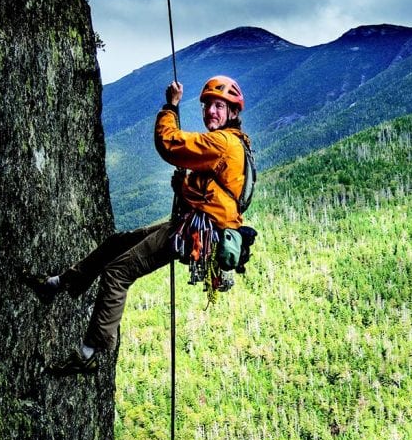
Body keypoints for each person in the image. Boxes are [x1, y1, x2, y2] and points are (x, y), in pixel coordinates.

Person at [22, 75, 252, 375]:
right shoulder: (233, 144)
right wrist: (183, 186)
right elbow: (214, 193)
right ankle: (61, 283)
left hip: (196, 232)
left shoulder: (223, 144)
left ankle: (89, 353)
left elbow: (169, 143)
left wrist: (170, 106)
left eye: (219, 106)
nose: (211, 112)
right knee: (117, 243)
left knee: (117, 272)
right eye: (208, 105)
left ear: (233, 112)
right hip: (193, 225)